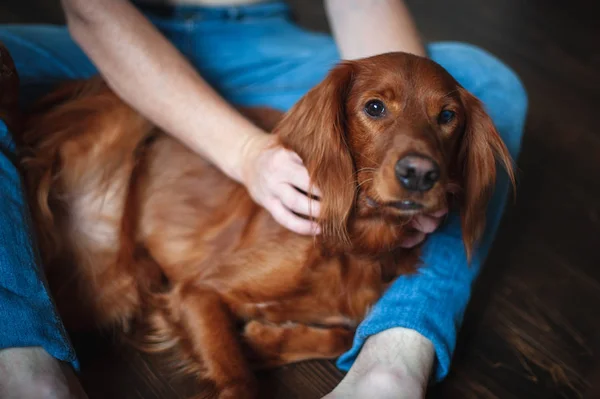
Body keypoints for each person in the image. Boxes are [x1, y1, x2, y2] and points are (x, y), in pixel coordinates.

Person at [0, 0, 528, 398]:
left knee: (488, 84)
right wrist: (247, 152)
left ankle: (396, 352)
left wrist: (405, 122)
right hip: (125, 36)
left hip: (269, 45)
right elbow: (93, 10)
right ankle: (21, 350)